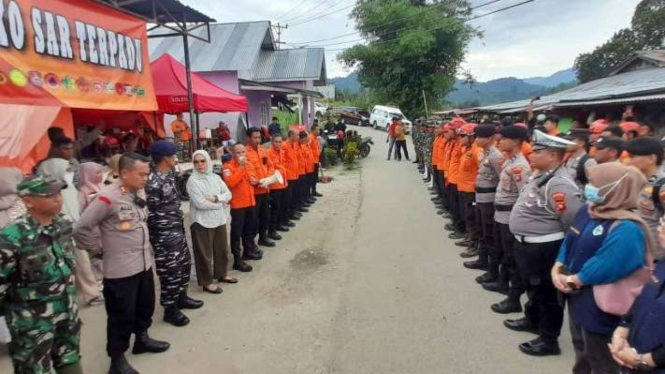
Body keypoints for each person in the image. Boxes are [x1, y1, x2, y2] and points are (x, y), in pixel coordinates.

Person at [75, 153, 170, 374]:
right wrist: (97, 250)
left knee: (144, 305)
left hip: (143, 263)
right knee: (121, 315)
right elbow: (81, 228)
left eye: (147, 173)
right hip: (120, 269)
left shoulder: (135, 192)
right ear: (124, 173)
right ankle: (116, 360)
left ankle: (142, 339)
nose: (146, 178)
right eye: (142, 174)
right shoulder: (108, 197)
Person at [553, 163, 651, 374]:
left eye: (595, 183)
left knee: (600, 360)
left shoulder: (628, 227)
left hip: (600, 305)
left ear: (615, 189)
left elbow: (608, 264)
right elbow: (570, 239)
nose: (589, 187)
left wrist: (574, 280)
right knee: (581, 351)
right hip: (576, 296)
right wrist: (558, 266)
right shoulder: (588, 210)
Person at [506, 130, 584, 357]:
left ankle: (549, 340)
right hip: (528, 245)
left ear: (552, 155)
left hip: (544, 248)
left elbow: (571, 221)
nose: (532, 154)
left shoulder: (560, 183)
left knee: (547, 294)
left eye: (537, 151)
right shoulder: (542, 175)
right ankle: (532, 320)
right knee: (534, 288)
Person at [0, 176, 83, 374]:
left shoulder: (62, 225)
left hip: (67, 311)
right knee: (34, 369)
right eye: (49, 195)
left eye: (58, 193)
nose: (57, 198)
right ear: (28, 201)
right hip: (31, 324)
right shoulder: (12, 236)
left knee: (70, 359)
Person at [147, 141, 204, 327]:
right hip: (164, 235)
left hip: (177, 229)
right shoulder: (153, 182)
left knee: (184, 264)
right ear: (165, 158)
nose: (176, 158)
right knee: (169, 271)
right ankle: (170, 309)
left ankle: (181, 297)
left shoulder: (169, 175)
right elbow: (150, 212)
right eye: (173, 155)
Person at [38, 158, 104, 307]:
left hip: (73, 230)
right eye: (66, 169)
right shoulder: (45, 193)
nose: (70, 172)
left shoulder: (69, 188)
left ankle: (91, 294)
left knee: (83, 263)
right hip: (57, 233)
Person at [485, 125, 531, 314]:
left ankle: (514, 299)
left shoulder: (520, 166)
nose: (500, 141)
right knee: (504, 252)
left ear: (517, 141)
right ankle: (503, 282)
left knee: (512, 258)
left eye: (504, 138)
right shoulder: (509, 161)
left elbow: (523, 196)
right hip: (501, 215)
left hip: (510, 216)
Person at [187, 149, 238, 293]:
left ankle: (222, 274)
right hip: (201, 222)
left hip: (219, 219)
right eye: (196, 162)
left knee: (221, 249)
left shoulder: (215, 177)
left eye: (202, 161)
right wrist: (221, 203)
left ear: (208, 161)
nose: (200, 165)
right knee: (204, 254)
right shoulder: (193, 181)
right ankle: (206, 282)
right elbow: (200, 204)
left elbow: (228, 194)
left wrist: (215, 198)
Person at [472, 124, 505, 283]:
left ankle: (492, 270)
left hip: (489, 200)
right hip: (481, 197)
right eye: (476, 136)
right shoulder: (484, 153)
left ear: (490, 138)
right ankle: (482, 259)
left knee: (490, 234)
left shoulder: (495, 156)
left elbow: (502, 179)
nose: (477, 139)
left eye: (480, 137)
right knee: (482, 230)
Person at [624, 137, 665, 260]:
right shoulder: (632, 179)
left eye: (632, 156)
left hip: (652, 257)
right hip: (632, 250)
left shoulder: (661, 186)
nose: (627, 161)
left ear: (651, 159)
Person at [222, 143, 259, 272]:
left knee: (249, 229)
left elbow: (254, 177)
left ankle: (247, 251)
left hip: (251, 202)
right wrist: (241, 167)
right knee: (236, 233)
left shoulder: (249, 164)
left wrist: (256, 181)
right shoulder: (227, 167)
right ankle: (237, 260)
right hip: (238, 205)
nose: (242, 155)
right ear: (233, 153)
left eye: (243, 152)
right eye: (238, 152)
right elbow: (231, 182)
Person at [246, 127, 278, 246]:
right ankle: (251, 243)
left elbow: (270, 166)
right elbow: (247, 170)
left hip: (265, 188)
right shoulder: (244, 153)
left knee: (265, 215)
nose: (258, 140)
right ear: (248, 138)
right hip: (254, 192)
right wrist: (257, 180)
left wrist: (268, 179)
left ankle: (263, 237)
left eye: (259, 137)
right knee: (253, 219)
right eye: (255, 138)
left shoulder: (262, 150)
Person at [456, 124, 482, 262]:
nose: (460, 138)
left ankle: (474, 245)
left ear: (471, 137)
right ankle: (469, 238)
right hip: (464, 188)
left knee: (473, 218)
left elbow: (482, 172)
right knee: (468, 216)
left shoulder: (477, 151)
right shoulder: (467, 149)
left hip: (472, 190)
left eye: (462, 136)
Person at [77, 162, 105, 282]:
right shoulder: (83, 191)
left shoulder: (103, 186)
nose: (100, 175)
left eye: (101, 172)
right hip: (93, 230)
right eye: (97, 172)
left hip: (106, 228)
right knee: (97, 259)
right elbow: (79, 210)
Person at [267, 134, 291, 236]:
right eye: (276, 141)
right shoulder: (268, 153)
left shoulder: (282, 152)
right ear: (272, 142)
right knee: (274, 208)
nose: (278, 144)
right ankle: (272, 230)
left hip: (283, 183)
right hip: (274, 185)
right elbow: (269, 168)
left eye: (280, 141)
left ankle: (279, 224)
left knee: (282, 205)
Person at [282, 130, 301, 224]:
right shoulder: (284, 145)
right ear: (290, 135)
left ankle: (292, 214)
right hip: (288, 176)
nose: (298, 137)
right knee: (287, 199)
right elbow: (283, 162)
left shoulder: (294, 145)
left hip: (294, 175)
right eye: (297, 135)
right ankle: (286, 218)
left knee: (293, 196)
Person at [309, 125, 323, 197]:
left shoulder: (316, 138)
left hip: (316, 160)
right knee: (312, 178)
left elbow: (317, 148)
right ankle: (311, 192)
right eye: (318, 130)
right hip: (312, 162)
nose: (319, 131)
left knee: (315, 178)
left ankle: (314, 191)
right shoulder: (310, 138)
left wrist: (319, 150)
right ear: (313, 130)